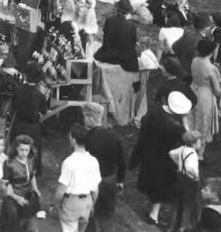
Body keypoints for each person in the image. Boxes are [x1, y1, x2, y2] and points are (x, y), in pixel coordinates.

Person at [131, 90, 189, 226]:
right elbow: (187, 139)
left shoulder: (154, 111)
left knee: (154, 183)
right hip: (165, 158)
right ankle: (153, 216)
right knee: (161, 186)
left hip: (149, 152)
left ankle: (153, 212)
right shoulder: (175, 127)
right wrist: (185, 122)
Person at [82, 101, 126, 232]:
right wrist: (120, 180)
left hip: (89, 182)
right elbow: (122, 162)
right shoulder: (114, 137)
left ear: (89, 118)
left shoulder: (85, 138)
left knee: (89, 215)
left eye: (84, 117)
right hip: (109, 180)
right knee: (107, 216)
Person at [53, 125, 101, 232]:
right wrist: (92, 204)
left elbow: (61, 189)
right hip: (87, 202)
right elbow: (96, 190)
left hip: (71, 203)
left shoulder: (69, 162)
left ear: (73, 140)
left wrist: (55, 203)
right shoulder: (93, 161)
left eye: (70, 137)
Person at [190, 40, 221, 153]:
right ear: (211, 52)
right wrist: (220, 97)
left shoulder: (195, 60)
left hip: (193, 89)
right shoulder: (211, 68)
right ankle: (200, 152)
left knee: (194, 117)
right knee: (204, 120)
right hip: (205, 95)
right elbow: (216, 89)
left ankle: (192, 142)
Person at [0, 134, 41, 232]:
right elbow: (4, 185)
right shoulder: (9, 163)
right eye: (21, 150)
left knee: (32, 224)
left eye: (27, 150)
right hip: (12, 195)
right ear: (16, 148)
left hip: (27, 194)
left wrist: (35, 188)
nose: (24, 153)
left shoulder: (32, 159)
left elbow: (32, 176)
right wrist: (16, 198)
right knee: (13, 221)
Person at [167, 130, 202, 232]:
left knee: (177, 203)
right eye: (199, 141)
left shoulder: (183, 149)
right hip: (189, 181)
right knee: (188, 205)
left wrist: (178, 163)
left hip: (180, 178)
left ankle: (171, 227)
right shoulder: (193, 155)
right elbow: (190, 168)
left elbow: (171, 153)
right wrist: (196, 176)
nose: (201, 143)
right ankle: (183, 227)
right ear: (194, 143)